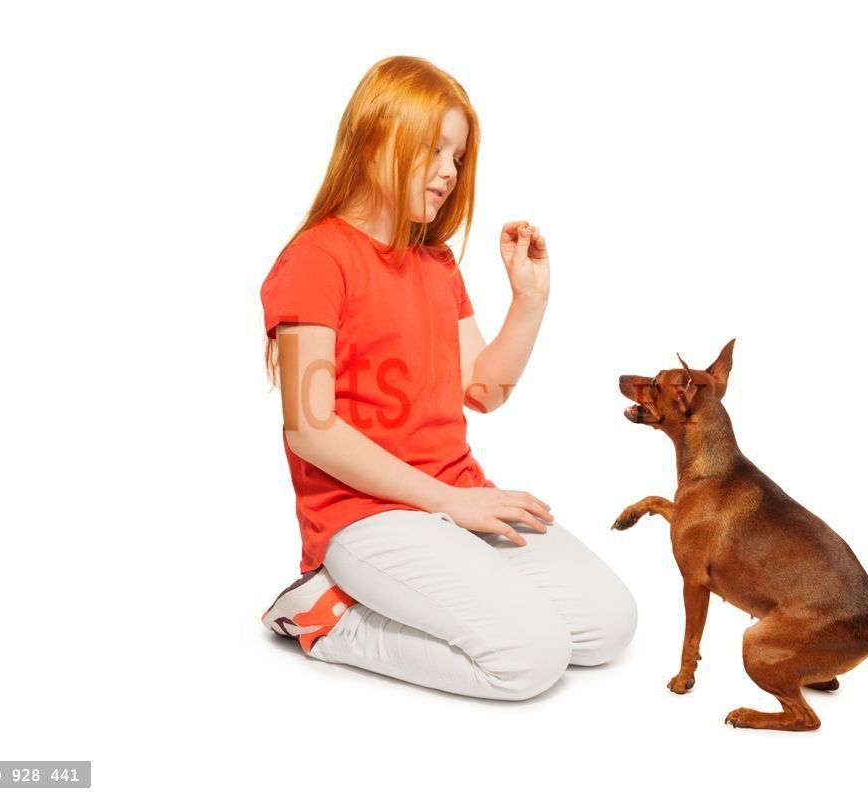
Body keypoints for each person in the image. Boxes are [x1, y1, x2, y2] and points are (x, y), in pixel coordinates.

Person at [258, 56, 637, 701]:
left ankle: (450, 586)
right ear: (376, 137)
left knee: (607, 628)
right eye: (432, 150)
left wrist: (529, 302)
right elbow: (310, 429)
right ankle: (327, 616)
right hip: (363, 517)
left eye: (457, 156)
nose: (447, 172)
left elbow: (483, 391)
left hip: (451, 501)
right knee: (529, 659)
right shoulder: (316, 259)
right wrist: (452, 505)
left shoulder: (437, 265)